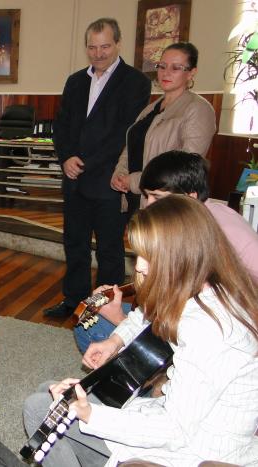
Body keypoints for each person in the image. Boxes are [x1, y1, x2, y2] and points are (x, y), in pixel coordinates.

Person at [23, 195, 258, 466]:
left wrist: (89, 415)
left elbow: (174, 430)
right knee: (51, 394)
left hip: (192, 450)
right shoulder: (209, 288)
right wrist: (114, 340)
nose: (139, 266)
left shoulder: (208, 329)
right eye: (138, 255)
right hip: (178, 425)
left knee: (40, 408)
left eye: (149, 256)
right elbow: (146, 316)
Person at [74, 151, 258, 352]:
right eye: (146, 196)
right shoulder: (203, 217)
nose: (149, 205)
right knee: (92, 323)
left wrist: (119, 318)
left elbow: (188, 330)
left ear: (189, 197)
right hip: (196, 320)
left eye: (157, 197)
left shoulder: (218, 234)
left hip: (221, 336)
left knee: (92, 329)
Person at [44, 18, 151, 318]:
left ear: (118, 43)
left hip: (109, 182)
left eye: (105, 46)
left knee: (109, 251)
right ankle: (73, 302)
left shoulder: (135, 82)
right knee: (74, 244)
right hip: (74, 179)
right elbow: (61, 126)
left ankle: (104, 309)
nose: (98, 53)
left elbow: (125, 132)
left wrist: (87, 162)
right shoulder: (75, 81)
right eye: (92, 47)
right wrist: (65, 157)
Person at [111, 42, 216, 213]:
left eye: (176, 68)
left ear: (191, 73)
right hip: (136, 199)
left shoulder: (198, 108)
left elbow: (185, 168)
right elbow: (131, 145)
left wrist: (135, 180)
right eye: (162, 66)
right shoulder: (150, 108)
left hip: (167, 205)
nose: (166, 73)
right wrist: (119, 173)